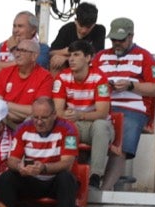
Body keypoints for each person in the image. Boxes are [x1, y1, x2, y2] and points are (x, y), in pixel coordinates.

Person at [0, 97, 80, 207]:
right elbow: (12, 160)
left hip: (54, 181)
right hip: (31, 179)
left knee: (66, 178)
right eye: (36, 117)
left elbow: (67, 163)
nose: (39, 122)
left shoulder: (68, 128)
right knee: (7, 177)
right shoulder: (23, 127)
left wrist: (44, 168)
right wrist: (20, 167)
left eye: (44, 118)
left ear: (54, 115)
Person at [93, 18, 155, 189]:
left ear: (131, 36)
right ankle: (88, 183)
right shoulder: (100, 56)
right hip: (103, 105)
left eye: (121, 40)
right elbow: (89, 79)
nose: (117, 43)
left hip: (132, 108)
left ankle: (105, 190)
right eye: (113, 39)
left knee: (122, 140)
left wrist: (131, 86)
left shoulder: (144, 56)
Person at [51, 39, 120, 190]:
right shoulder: (62, 77)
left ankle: (95, 177)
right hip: (73, 123)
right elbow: (58, 111)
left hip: (93, 125)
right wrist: (72, 117)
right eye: (70, 55)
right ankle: (67, 176)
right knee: (63, 126)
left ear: (88, 58)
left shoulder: (100, 78)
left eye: (76, 55)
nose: (71, 59)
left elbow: (102, 113)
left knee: (100, 126)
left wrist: (79, 115)